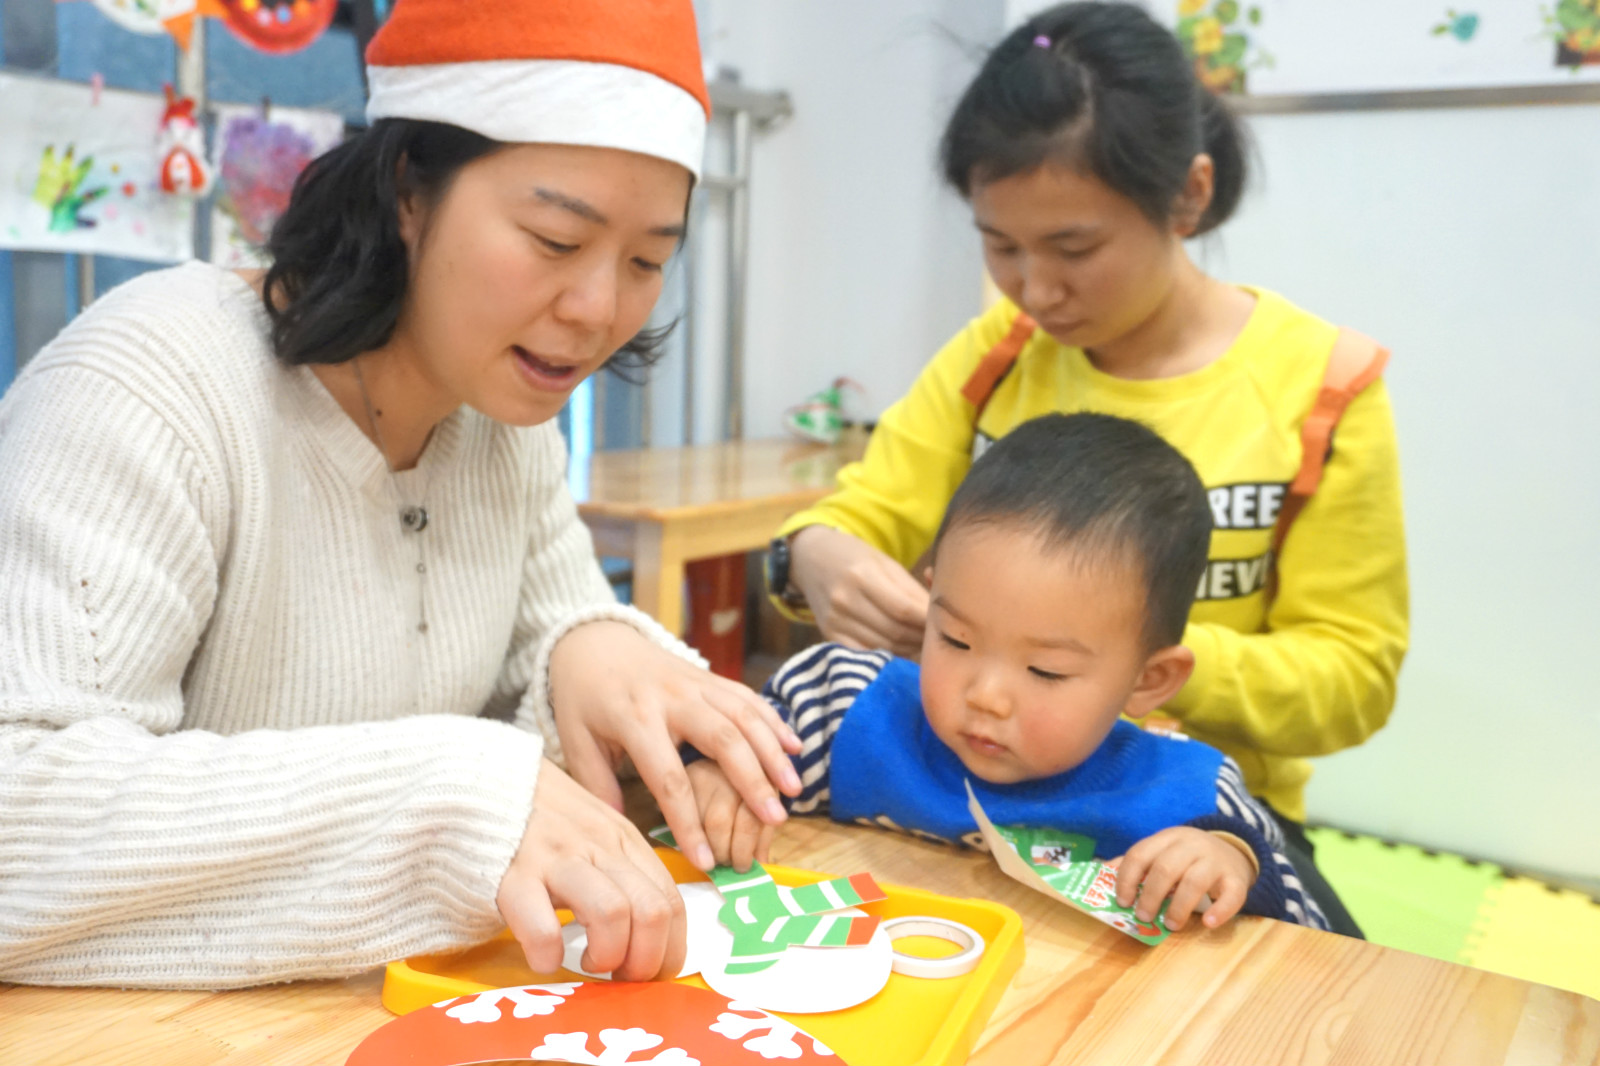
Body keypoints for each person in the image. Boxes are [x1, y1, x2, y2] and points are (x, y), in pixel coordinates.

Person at [0, 0, 804, 989]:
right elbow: (19, 814)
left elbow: (543, 641)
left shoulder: (503, 423)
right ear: (406, 191)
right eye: (555, 240)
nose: (599, 309)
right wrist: (453, 801)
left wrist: (626, 691)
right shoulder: (153, 387)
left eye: (645, 261)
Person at [765, 2, 1406, 935]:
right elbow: (862, 512)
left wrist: (1107, 665)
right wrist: (815, 554)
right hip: (961, 783)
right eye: (1001, 246)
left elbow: (1353, 680)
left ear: (1187, 197)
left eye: (1074, 248)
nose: (1034, 288)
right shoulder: (997, 355)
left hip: (1196, 825)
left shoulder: (1323, 389)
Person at [696, 414, 1328, 932]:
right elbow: (727, 747)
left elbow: (1304, 937)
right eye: (956, 639)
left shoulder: (1188, 797)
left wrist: (1231, 865)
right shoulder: (844, 708)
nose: (987, 695)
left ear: (1149, 680)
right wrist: (721, 777)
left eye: (1045, 671)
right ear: (931, 594)